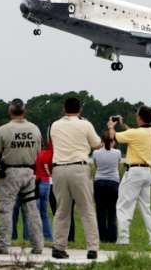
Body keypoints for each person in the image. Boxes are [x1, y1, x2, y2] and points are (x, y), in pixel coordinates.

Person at [0, 99, 44, 255]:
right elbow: (39, 153)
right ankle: (38, 244)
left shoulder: (4, 129)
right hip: (30, 172)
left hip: (10, 173)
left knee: (6, 209)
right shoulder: (34, 129)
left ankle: (2, 244)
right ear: (24, 111)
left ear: (10, 112)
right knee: (32, 209)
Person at [50, 97, 101, 259]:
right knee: (86, 209)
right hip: (79, 168)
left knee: (62, 211)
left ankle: (58, 246)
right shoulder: (85, 124)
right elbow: (96, 144)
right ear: (80, 110)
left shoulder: (55, 125)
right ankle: (92, 248)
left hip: (58, 169)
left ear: (64, 109)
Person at [107, 106, 151, 246]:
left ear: (140, 117)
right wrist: (123, 124)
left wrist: (112, 126)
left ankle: (123, 239)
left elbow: (114, 136)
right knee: (146, 208)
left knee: (124, 205)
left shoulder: (136, 133)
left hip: (134, 172)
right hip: (147, 172)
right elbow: (133, 134)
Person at [92, 130, 121, 243]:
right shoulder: (117, 153)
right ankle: (112, 237)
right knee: (112, 211)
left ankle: (102, 237)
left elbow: (96, 166)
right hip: (113, 182)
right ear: (113, 141)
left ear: (102, 141)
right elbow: (117, 165)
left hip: (99, 182)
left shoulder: (96, 153)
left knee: (100, 211)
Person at [35, 141, 54, 241]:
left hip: (38, 183)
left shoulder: (39, 154)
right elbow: (48, 170)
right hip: (47, 183)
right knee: (44, 213)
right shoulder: (49, 154)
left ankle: (36, 237)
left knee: (35, 212)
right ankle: (48, 237)